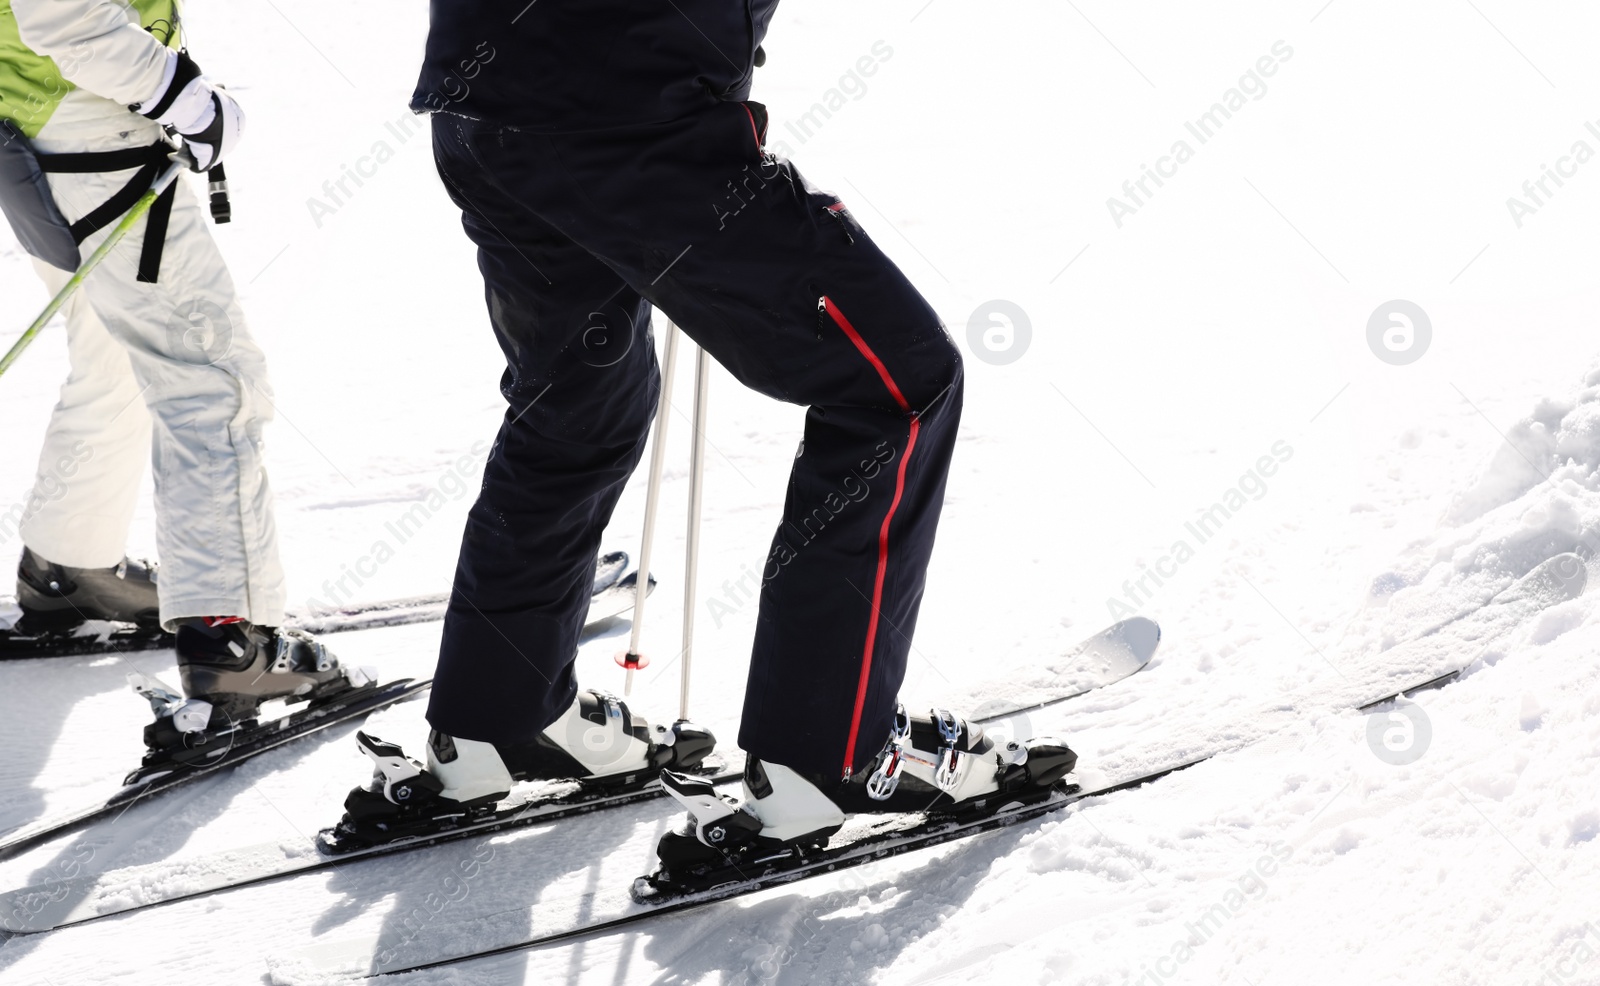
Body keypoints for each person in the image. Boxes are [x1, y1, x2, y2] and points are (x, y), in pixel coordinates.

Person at [331, 1, 1074, 867]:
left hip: (488, 107)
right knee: (897, 386)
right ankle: (825, 755)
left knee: (575, 400)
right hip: (625, 119)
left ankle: (496, 721)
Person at [1, 1, 348, 747]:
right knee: (214, 383)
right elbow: (65, 17)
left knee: (117, 346)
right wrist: (182, 96)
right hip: (90, 120)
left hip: (32, 115)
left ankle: (70, 558)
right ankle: (230, 642)